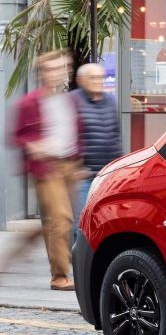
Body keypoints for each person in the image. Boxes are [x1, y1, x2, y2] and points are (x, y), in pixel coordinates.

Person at [6, 50, 81, 290]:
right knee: (61, 219)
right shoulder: (29, 102)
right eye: (53, 68)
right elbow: (16, 136)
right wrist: (34, 145)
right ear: (43, 73)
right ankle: (59, 276)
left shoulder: (67, 99)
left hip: (69, 165)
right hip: (47, 167)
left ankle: (14, 252)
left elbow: (74, 132)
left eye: (62, 67)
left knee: (54, 222)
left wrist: (78, 162)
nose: (59, 72)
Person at [70, 62, 121, 236]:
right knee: (80, 223)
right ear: (81, 80)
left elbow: (116, 136)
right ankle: (77, 262)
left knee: (105, 221)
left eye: (101, 77)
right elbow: (68, 137)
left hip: (107, 177)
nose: (98, 81)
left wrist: (118, 168)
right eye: (93, 78)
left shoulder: (111, 101)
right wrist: (75, 167)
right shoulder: (73, 101)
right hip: (84, 177)